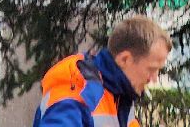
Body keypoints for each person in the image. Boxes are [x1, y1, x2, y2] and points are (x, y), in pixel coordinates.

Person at [33, 15, 172, 127]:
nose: (154, 78)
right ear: (125, 59)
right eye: (152, 69)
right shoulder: (79, 91)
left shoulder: (120, 97)